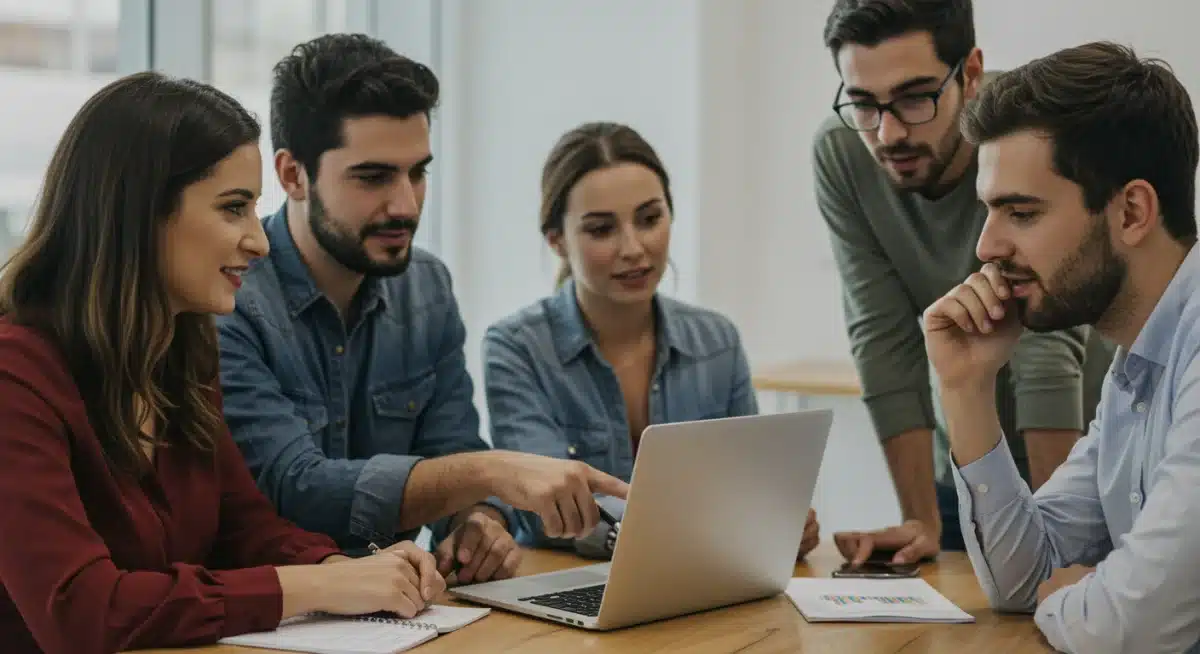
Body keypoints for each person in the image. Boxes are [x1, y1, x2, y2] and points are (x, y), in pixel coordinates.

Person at [0, 71, 447, 654]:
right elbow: (83, 612)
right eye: (233, 208)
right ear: (139, 214)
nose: (258, 241)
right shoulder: (16, 378)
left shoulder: (181, 351)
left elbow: (245, 528)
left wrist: (352, 568)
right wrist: (316, 583)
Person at [216, 33, 629, 586]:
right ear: (293, 175)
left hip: (404, 610)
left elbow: (453, 448)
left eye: (418, 172)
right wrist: (490, 474)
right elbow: (295, 486)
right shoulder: (229, 298)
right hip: (266, 617)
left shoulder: (426, 287)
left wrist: (478, 520)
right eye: (373, 177)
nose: (406, 205)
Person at [815, 0, 1114, 565]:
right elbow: (880, 336)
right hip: (968, 467)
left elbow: (1047, 343)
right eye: (862, 103)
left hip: (1080, 456)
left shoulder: (1026, 136)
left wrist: (1062, 547)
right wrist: (919, 520)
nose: (889, 132)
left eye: (915, 97)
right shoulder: (840, 153)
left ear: (970, 74)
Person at [929, 41, 1200, 652]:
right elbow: (1025, 576)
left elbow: (1133, 624)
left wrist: (1066, 600)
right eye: (988, 212)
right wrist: (966, 388)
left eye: (1020, 212)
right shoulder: (1136, 364)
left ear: (1131, 211)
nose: (986, 248)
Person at [483, 121, 821, 559]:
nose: (634, 248)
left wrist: (783, 522)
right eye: (602, 229)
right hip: (566, 589)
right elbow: (541, 511)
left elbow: (754, 491)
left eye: (649, 219)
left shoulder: (718, 342)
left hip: (701, 586)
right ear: (557, 241)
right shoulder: (516, 348)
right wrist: (714, 530)